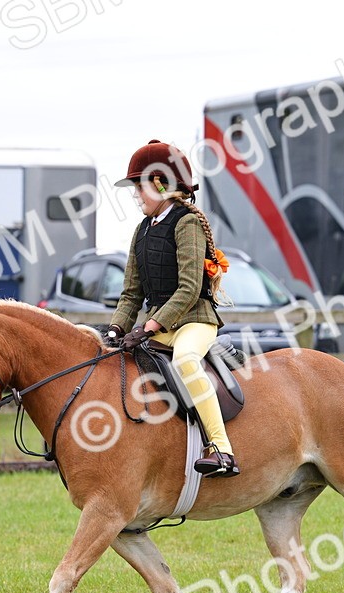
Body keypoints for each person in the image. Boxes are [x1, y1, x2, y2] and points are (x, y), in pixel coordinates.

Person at [106, 139, 239, 477]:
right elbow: (131, 293)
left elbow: (189, 287)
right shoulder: (141, 231)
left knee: (185, 361)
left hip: (195, 319)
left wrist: (150, 326)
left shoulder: (186, 223)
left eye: (140, 186)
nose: (136, 194)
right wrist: (116, 329)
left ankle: (222, 449)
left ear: (161, 183)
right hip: (162, 324)